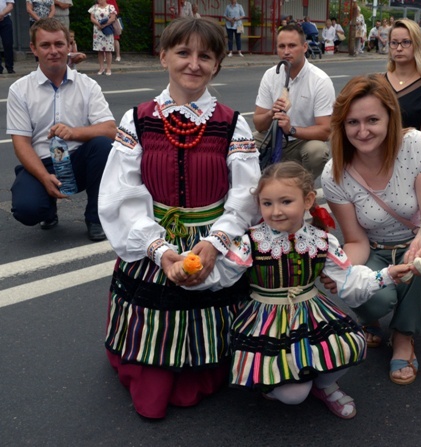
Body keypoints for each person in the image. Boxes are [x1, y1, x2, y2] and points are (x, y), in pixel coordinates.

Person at [97, 17, 260, 420]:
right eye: (183, 52)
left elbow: (245, 195)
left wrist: (214, 244)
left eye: (205, 56)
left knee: (205, 339)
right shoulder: (135, 120)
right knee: (153, 355)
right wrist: (160, 251)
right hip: (155, 238)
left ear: (217, 65)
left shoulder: (232, 123)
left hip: (213, 235)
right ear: (164, 56)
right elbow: (123, 194)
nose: (194, 63)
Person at [227, 161, 410, 419]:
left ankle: (324, 386)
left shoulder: (320, 240)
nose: (276, 211)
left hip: (310, 310)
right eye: (267, 203)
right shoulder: (250, 240)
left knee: (351, 343)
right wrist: (193, 268)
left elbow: (348, 280)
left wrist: (387, 275)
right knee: (294, 395)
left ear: (309, 199)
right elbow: (223, 273)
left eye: (286, 202)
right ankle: (278, 380)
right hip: (264, 318)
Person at [321, 74, 421, 386]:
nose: (362, 132)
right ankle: (371, 319)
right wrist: (342, 269)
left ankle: (404, 336)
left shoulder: (417, 145)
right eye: (352, 123)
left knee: (420, 263)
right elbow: (355, 240)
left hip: (416, 239)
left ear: (391, 117)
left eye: (373, 120)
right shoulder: (334, 171)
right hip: (374, 249)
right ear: (342, 125)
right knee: (368, 292)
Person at [7, 18, 115, 241]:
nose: (53, 51)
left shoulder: (87, 85)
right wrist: (44, 177)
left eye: (59, 44)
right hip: (43, 162)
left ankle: (95, 218)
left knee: (103, 146)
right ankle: (46, 206)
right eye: (45, 45)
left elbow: (111, 129)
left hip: (78, 162)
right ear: (34, 49)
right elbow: (21, 143)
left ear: (69, 47)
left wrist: (74, 132)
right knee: (27, 210)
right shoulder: (20, 90)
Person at [252, 24, 334, 180]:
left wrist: (291, 129)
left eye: (292, 46)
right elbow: (258, 123)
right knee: (241, 146)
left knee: (317, 151)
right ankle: (256, 189)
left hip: (301, 141)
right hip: (273, 137)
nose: (286, 51)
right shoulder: (270, 75)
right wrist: (271, 113)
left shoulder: (320, 80)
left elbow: (326, 131)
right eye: (281, 46)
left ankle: (303, 187)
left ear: (304, 47)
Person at [385, 19, 421, 140]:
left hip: (410, 156)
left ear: (417, 45)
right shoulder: (377, 82)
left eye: (406, 42)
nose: (399, 48)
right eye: (394, 43)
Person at [88, 0, 116, 75]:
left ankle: (109, 68)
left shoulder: (110, 7)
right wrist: (98, 24)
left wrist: (104, 25)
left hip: (107, 30)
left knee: (108, 50)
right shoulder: (94, 7)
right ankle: (101, 67)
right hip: (98, 30)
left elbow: (113, 18)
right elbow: (92, 18)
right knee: (99, 49)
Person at [0, 0, 15, 74]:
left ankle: (10, 67)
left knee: (8, 43)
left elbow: (10, 5)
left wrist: (2, 14)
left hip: (5, 19)